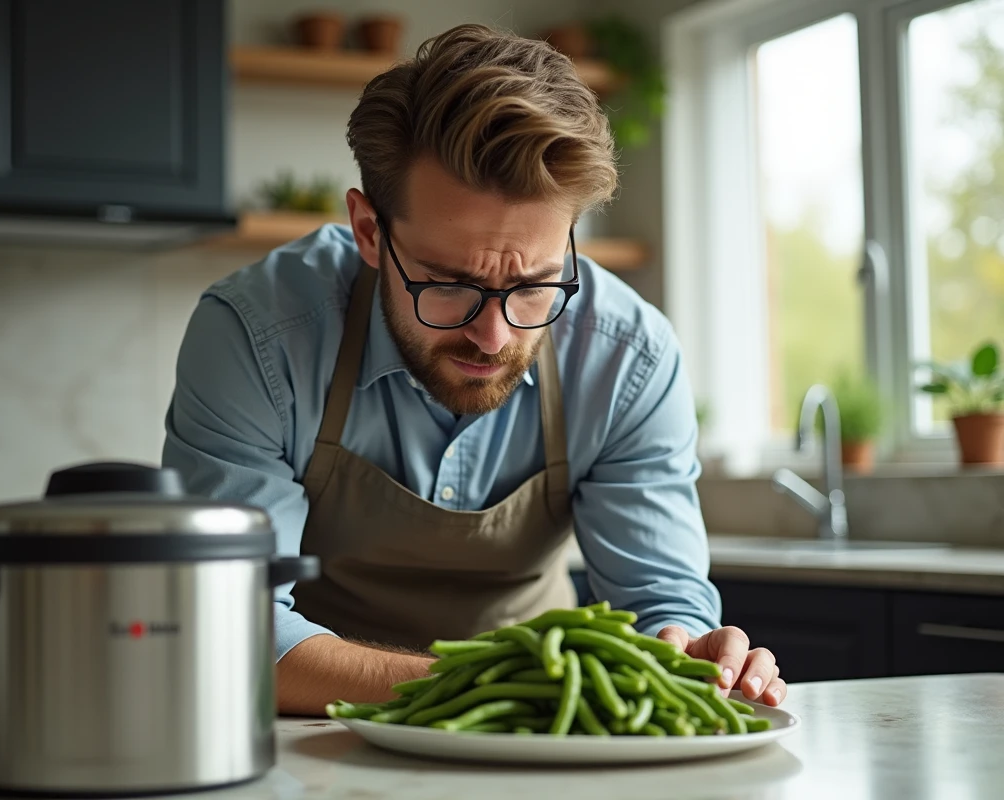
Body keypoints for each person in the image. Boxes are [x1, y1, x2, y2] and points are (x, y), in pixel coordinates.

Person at [163, 23, 785, 716]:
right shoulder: (259, 336)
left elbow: (659, 601)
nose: (493, 335)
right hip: (317, 729)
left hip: (542, 738)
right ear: (370, 232)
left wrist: (688, 649)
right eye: (448, 282)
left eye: (534, 285)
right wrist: (495, 688)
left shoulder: (627, 358)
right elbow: (227, 623)